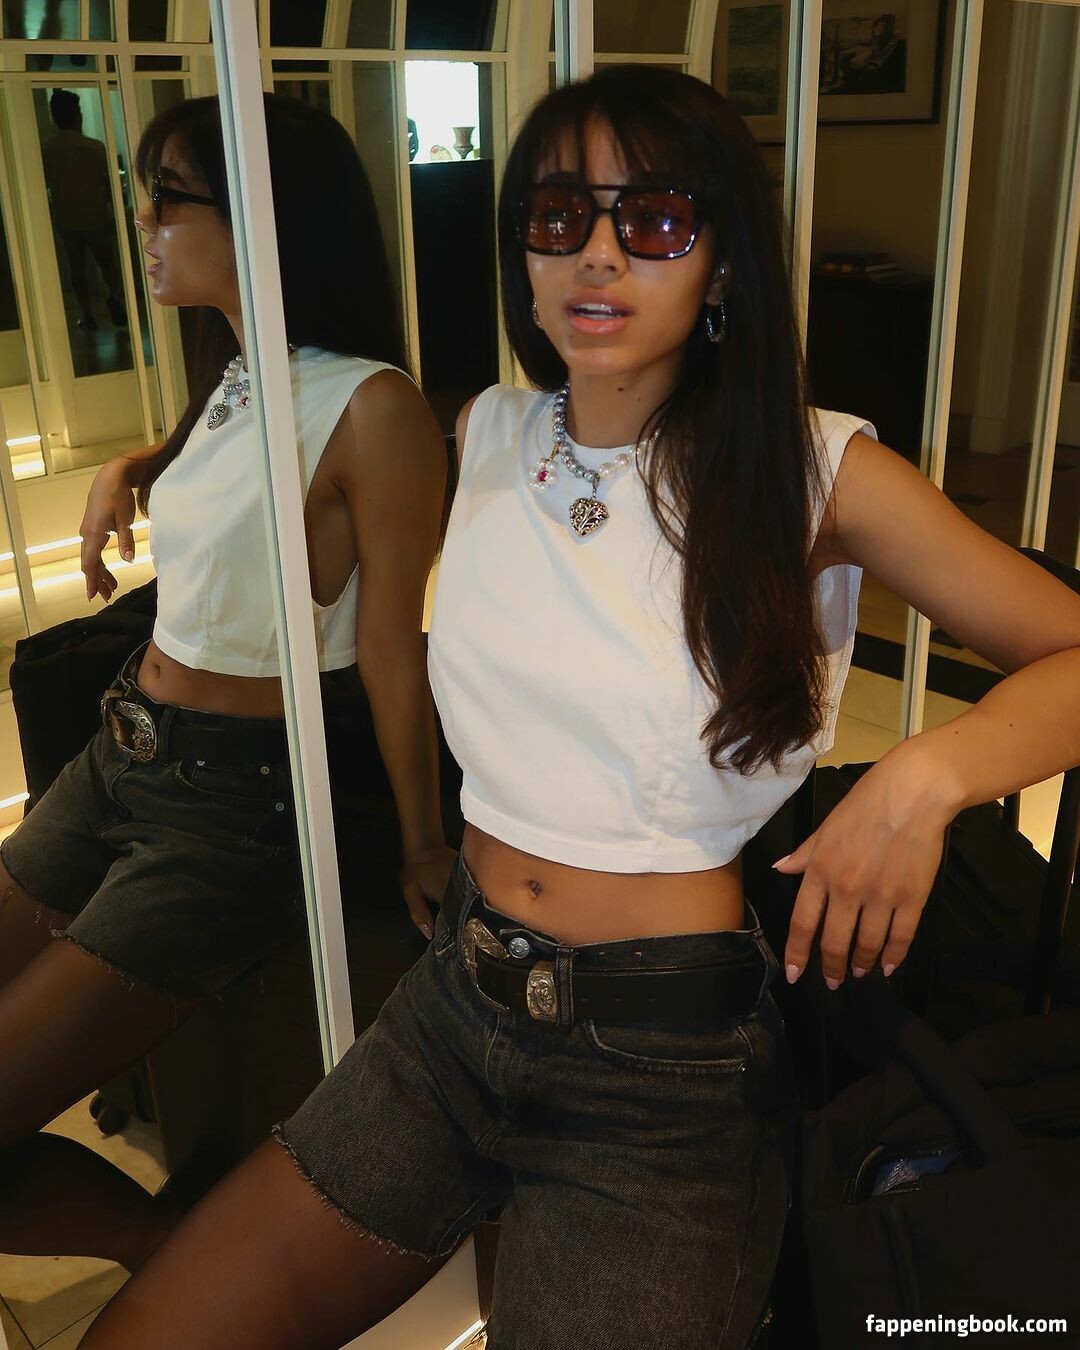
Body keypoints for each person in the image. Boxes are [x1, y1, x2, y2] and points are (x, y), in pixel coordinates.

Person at [83, 66, 1080, 1350]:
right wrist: (147, 461)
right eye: (560, 216)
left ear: (722, 261)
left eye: (654, 218)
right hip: (453, 1005)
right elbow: (314, 486)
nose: (598, 253)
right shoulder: (491, 432)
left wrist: (926, 777)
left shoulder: (811, 468)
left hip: (659, 1067)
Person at [0, 93, 452, 1277]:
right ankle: (165, 1252)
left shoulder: (376, 406)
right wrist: (136, 461)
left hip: (228, 806)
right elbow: (237, 458)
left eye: (169, 198)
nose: (142, 222)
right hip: (120, 754)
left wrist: (422, 839)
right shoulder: (240, 369)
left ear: (267, 217)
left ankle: (165, 1254)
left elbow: (392, 646)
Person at [41, 89, 127, 330]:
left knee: (76, 267)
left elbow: (44, 185)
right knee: (107, 262)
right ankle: (115, 296)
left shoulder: (46, 150)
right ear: (77, 114)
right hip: (95, 213)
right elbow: (108, 183)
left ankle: (87, 314)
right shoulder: (94, 147)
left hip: (66, 216)